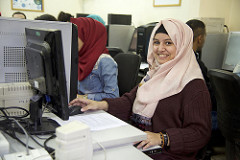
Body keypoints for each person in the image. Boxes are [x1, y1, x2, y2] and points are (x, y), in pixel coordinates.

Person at [69, 18, 212, 160]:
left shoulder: (193, 86)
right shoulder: (154, 75)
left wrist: (162, 138)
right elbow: (130, 101)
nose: (160, 48)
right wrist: (101, 104)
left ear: (182, 46)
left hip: (168, 153)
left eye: (168, 43)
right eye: (156, 42)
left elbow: (200, 133)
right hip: (141, 142)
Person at [70, 17, 119, 101]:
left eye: (75, 36)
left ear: (87, 36)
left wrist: (83, 98)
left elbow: (113, 96)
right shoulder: (79, 57)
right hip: (80, 107)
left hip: (97, 110)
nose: (71, 40)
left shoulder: (105, 62)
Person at [186, 19, 217, 112]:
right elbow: (209, 99)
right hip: (197, 113)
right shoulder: (197, 65)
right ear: (200, 39)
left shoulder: (176, 59)